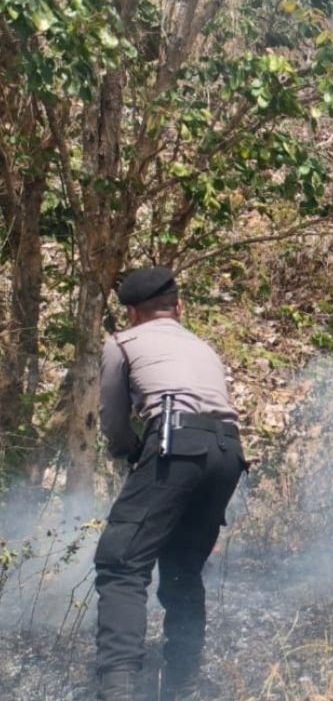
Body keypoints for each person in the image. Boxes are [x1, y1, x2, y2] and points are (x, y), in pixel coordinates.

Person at [94, 268, 245, 700]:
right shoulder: (203, 346)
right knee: (181, 569)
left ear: (131, 313)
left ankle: (118, 690)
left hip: (174, 444)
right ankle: (184, 683)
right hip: (228, 453)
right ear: (179, 308)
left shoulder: (122, 342)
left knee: (121, 565)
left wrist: (127, 453)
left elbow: (114, 422)